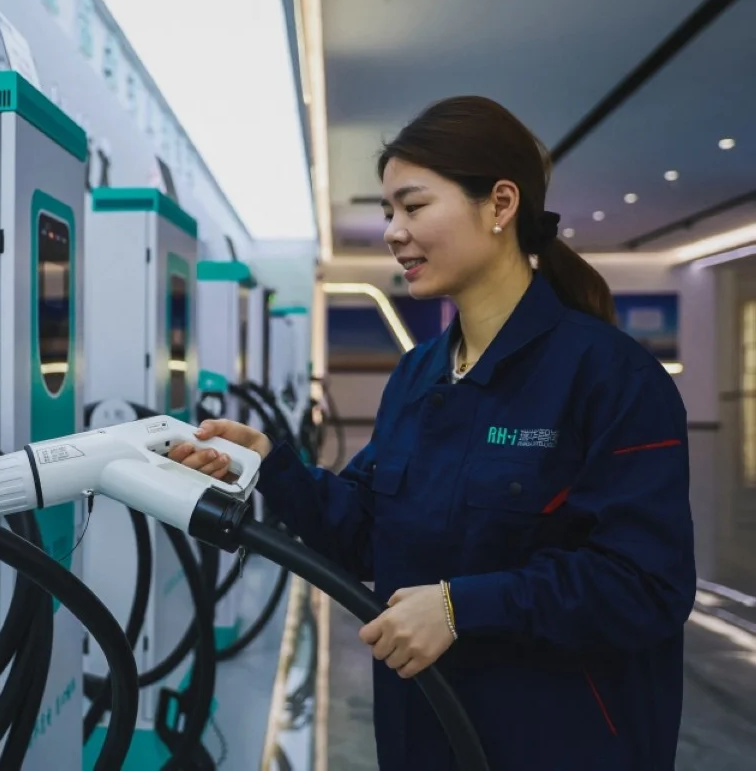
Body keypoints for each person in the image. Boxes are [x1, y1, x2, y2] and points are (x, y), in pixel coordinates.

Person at [169, 96, 696, 770]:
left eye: (413, 207)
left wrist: (459, 607)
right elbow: (366, 534)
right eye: (388, 212)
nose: (393, 232)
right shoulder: (419, 373)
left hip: (557, 742)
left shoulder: (609, 375)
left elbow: (645, 584)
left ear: (500, 204)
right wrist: (272, 465)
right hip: (422, 733)